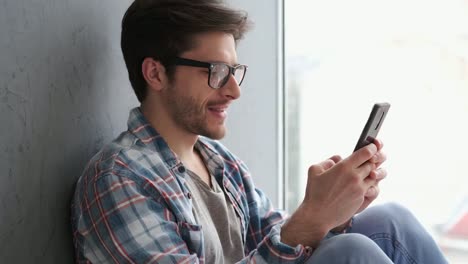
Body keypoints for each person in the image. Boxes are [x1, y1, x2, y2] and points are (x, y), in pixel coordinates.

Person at [71, 0, 449, 263]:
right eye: (216, 72)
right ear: (155, 73)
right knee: (348, 253)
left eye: (234, 72)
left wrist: (334, 209)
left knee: (389, 223)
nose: (234, 90)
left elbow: (273, 241)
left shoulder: (220, 163)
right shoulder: (119, 180)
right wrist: (313, 220)